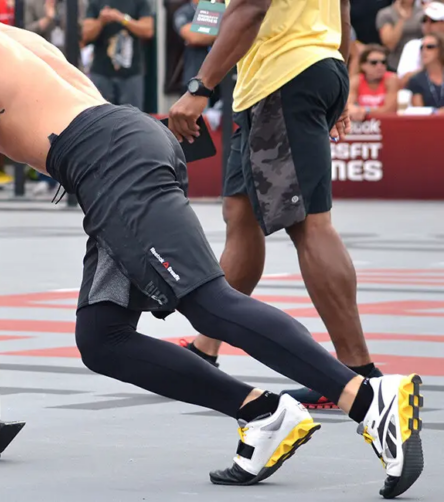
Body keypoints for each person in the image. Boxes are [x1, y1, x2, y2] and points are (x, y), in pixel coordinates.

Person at [0, 0, 424, 496]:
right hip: (118, 145)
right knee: (103, 337)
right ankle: (262, 413)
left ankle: (366, 396)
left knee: (208, 302)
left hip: (114, 158)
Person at [166, 0, 388, 412]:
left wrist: (199, 87)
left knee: (310, 223)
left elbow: (250, 8)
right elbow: (342, 9)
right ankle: (205, 346)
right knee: (240, 213)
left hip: (285, 74)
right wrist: (338, 71)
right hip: (279, 78)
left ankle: (358, 374)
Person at [81, 0, 154, 110]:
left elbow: (148, 30)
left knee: (132, 120)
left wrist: (122, 18)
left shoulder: (139, 2)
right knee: (101, 119)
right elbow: (85, 34)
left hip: (131, 74)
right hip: (102, 73)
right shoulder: (95, 2)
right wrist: (101, 21)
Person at [395, 2, 444, 87]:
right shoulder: (413, 46)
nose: (427, 25)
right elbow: (402, 81)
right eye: (424, 20)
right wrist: (429, 67)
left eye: (433, 21)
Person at [347, 45, 401, 120]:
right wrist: (352, 109)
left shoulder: (392, 79)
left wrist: (365, 110)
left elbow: (389, 110)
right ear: (363, 65)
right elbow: (347, 105)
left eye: (383, 62)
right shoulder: (356, 81)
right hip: (364, 125)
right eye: (374, 63)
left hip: (387, 123)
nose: (379, 66)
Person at [377, 0, 427, 72]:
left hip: (420, 61)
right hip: (395, 63)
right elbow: (390, 44)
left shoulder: (424, 12)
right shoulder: (386, 14)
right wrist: (402, 19)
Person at [406, 32, 444, 109]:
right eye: (421, 47)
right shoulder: (416, 79)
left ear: (441, 49)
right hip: (429, 120)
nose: (424, 50)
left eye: (429, 47)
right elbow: (419, 112)